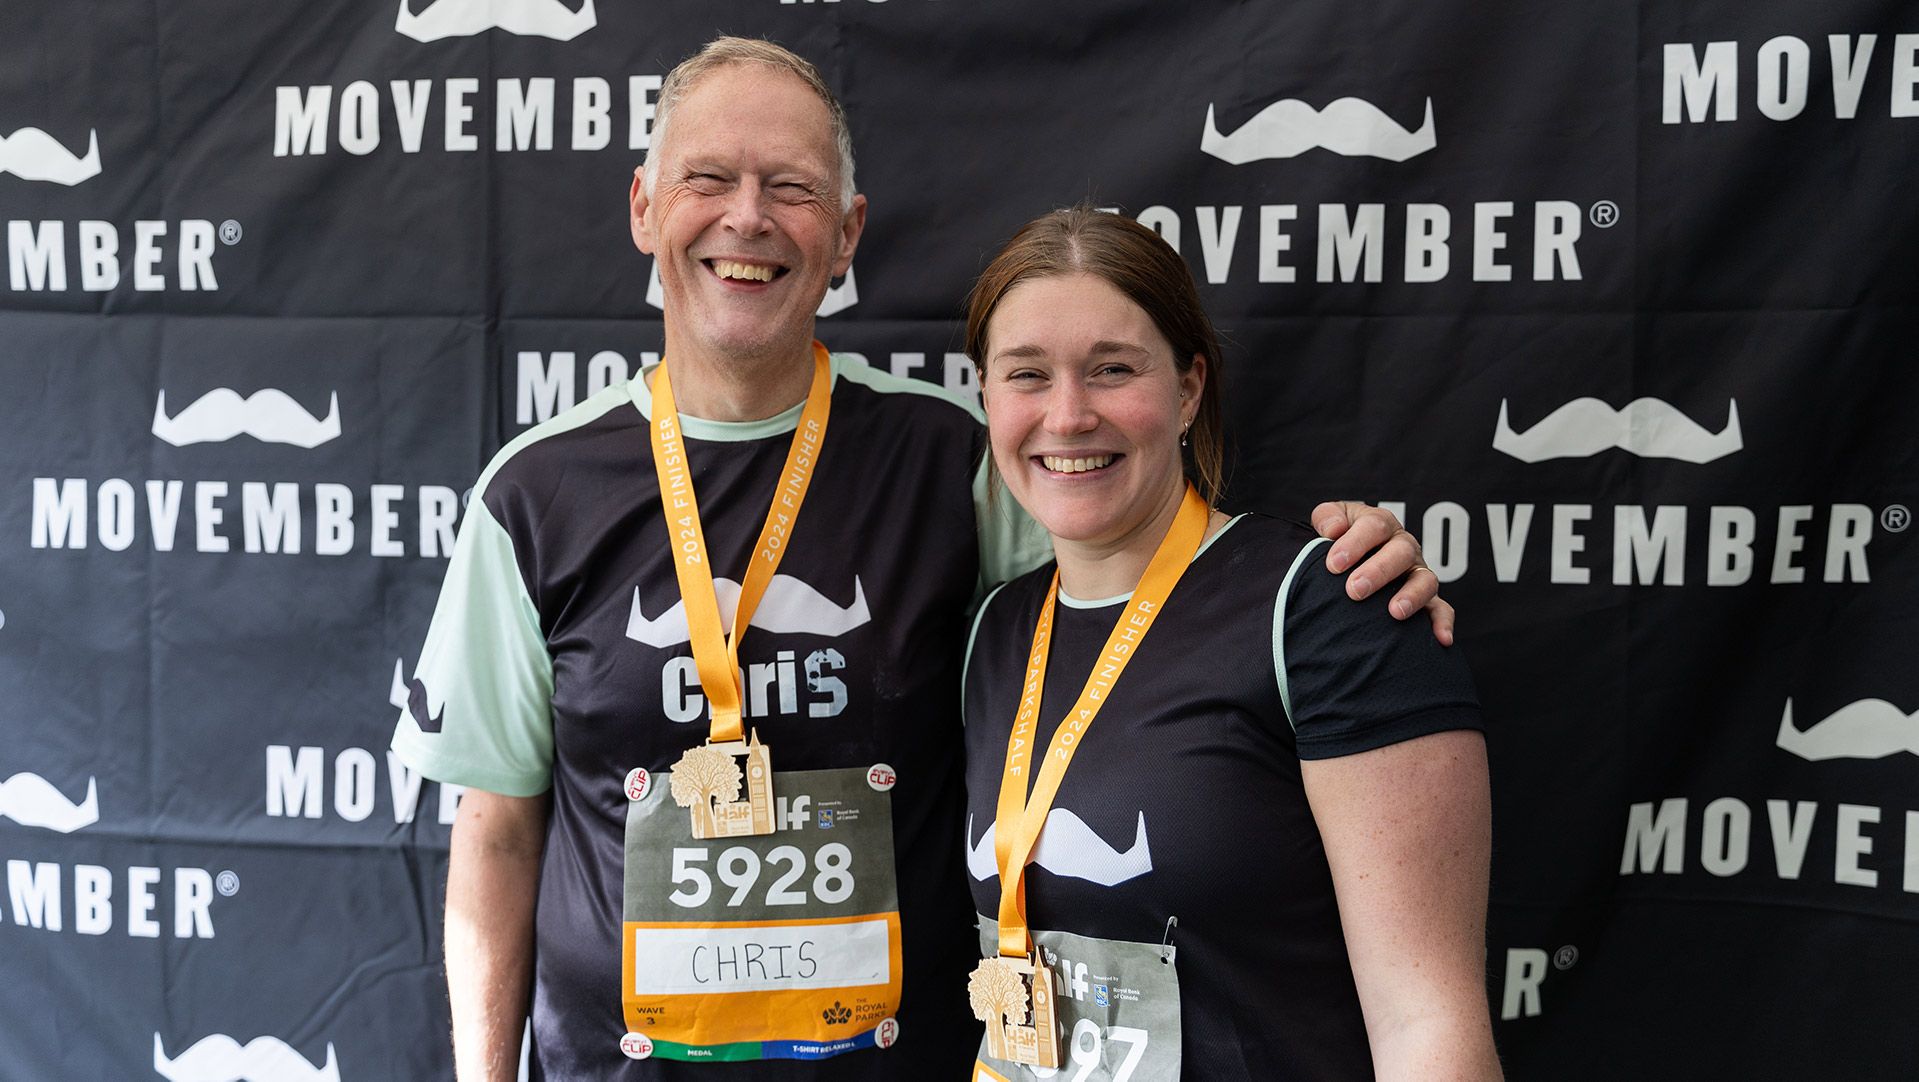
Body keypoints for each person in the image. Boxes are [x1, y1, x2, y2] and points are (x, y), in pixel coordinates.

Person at [391, 38, 1450, 1080]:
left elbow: (1145, 585)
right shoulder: (532, 492)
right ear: (642, 207)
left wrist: (1334, 580)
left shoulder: (956, 456)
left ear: (847, 232)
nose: (746, 216)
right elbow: (495, 832)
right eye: (706, 179)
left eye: (791, 188)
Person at [960, 207, 1500, 1081]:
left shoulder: (1331, 607)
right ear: (985, 395)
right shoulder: (996, 631)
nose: (1066, 415)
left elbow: (1426, 1026)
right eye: (1027, 374)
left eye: (1111, 370)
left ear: (1187, 388)